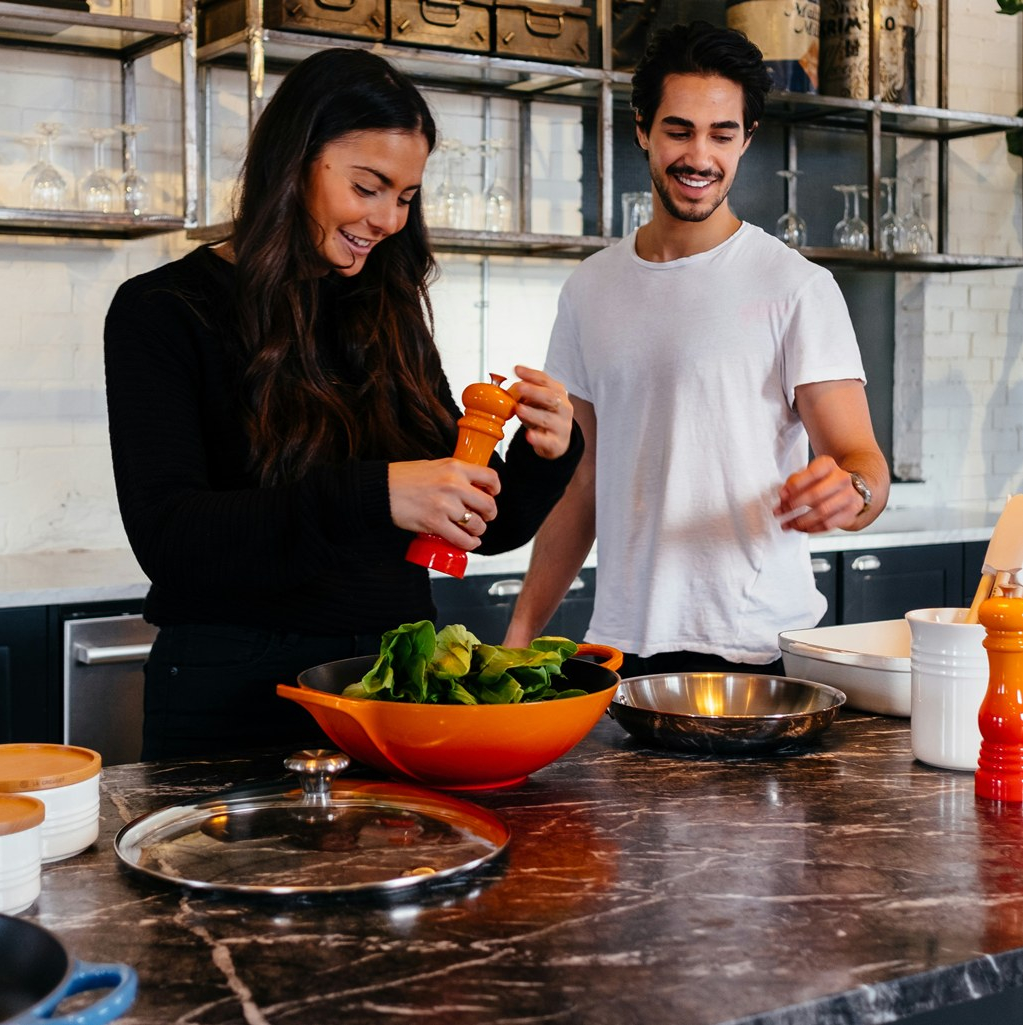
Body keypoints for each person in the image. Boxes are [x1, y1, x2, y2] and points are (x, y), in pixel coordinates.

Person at [104, 48, 582, 761]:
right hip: (233, 704)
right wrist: (376, 495)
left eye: (406, 196)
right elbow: (171, 540)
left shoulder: (387, 310)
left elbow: (473, 528)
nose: (388, 218)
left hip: (393, 691)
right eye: (369, 186)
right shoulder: (163, 310)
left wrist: (544, 454)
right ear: (295, 161)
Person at [504, 20, 890, 679]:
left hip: (755, 650)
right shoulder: (590, 288)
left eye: (721, 134)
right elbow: (581, 484)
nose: (699, 156)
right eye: (678, 130)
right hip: (622, 650)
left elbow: (862, 465)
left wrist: (849, 492)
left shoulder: (796, 286)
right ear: (642, 130)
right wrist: (515, 639)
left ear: (746, 140)